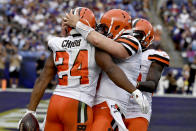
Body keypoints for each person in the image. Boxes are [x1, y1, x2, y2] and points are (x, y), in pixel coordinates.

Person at [19, 7, 148, 131]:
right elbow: (110, 68)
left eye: (103, 27)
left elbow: (43, 78)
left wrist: (30, 110)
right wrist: (134, 90)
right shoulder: (94, 45)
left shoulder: (58, 44)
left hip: (56, 100)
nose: (100, 30)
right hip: (79, 103)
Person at [64, 9, 150, 130]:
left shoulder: (131, 40)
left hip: (111, 104)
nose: (101, 31)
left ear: (117, 26)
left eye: (104, 28)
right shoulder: (105, 44)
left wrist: (79, 25)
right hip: (92, 103)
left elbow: (98, 41)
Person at [123, 18, 170, 131]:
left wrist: (127, 84)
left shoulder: (152, 56)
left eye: (137, 36)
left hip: (138, 110)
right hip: (118, 106)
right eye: (130, 35)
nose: (132, 39)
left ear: (147, 38)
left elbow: (151, 84)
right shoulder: (120, 52)